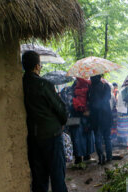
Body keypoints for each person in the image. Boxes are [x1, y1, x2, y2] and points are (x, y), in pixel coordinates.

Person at [22, 51, 68, 192]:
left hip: (34, 138)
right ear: (37, 66)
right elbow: (60, 108)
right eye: (40, 65)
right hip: (52, 136)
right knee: (57, 176)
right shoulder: (44, 84)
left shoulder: (20, 84)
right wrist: (63, 120)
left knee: (39, 178)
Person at [62, 79, 95, 165]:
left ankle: (78, 158)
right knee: (87, 136)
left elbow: (68, 104)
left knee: (76, 138)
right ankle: (87, 156)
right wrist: (88, 111)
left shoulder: (70, 90)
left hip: (74, 118)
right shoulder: (88, 89)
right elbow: (91, 102)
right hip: (86, 117)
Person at [88, 75, 112, 165]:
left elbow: (91, 104)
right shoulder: (105, 86)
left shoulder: (91, 88)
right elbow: (108, 98)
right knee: (107, 138)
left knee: (98, 139)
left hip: (97, 118)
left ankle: (101, 157)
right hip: (107, 116)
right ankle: (109, 156)